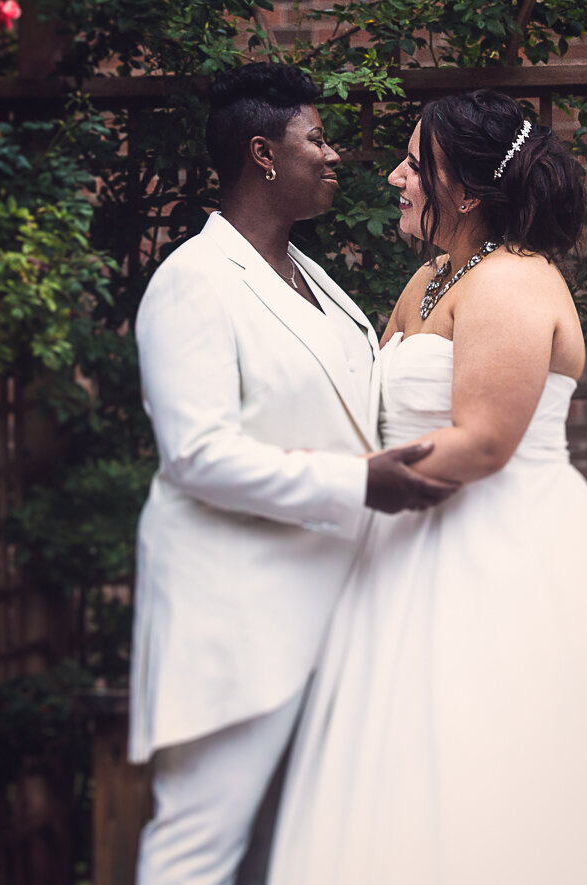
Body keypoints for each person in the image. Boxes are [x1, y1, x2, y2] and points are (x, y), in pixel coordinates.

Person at [267, 89, 587, 885]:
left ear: (465, 189)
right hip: (406, 554)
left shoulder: (511, 280)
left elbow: (483, 441)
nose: (397, 178)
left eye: (415, 164)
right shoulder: (433, 281)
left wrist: (333, 485)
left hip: (498, 555)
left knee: (501, 768)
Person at [129, 62, 458, 885]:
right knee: (197, 850)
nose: (334, 154)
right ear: (262, 154)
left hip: (340, 612)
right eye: (317, 137)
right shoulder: (193, 282)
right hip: (238, 624)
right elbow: (196, 455)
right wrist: (358, 484)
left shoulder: (318, 282)